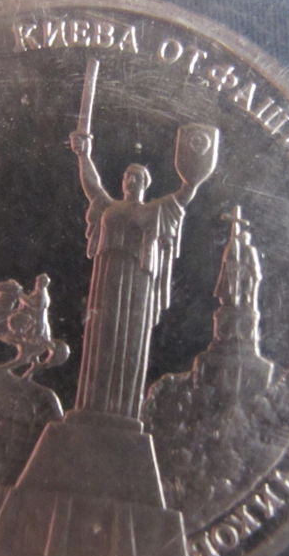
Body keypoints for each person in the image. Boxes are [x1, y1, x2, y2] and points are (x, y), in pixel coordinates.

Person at [69, 129, 211, 418]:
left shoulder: (155, 210)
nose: (131, 180)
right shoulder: (109, 207)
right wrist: (83, 155)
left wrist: (193, 176)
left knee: (131, 336)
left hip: (139, 280)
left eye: (137, 177)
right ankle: (92, 404)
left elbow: (183, 197)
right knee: (101, 333)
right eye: (128, 176)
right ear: (123, 182)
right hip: (107, 277)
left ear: (146, 184)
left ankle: (124, 409)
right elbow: (92, 185)